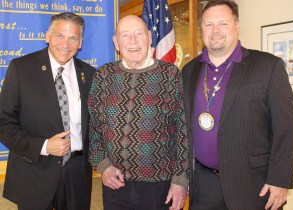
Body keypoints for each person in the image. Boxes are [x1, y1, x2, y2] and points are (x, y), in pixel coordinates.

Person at [182, 1, 293, 210]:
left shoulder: (268, 66)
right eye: (208, 25)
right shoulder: (189, 71)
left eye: (223, 23)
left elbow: (286, 128)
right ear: (202, 30)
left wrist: (280, 180)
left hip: (253, 185)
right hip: (203, 184)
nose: (215, 31)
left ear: (237, 26)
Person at [88, 15, 189, 210]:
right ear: (116, 43)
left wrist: (180, 179)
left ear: (150, 38)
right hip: (114, 183)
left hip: (160, 186)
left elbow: (183, 131)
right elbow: (94, 128)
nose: (132, 41)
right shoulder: (103, 75)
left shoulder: (170, 74)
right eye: (125, 35)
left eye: (139, 34)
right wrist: (104, 166)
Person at [0, 12, 95, 210]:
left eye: (73, 38)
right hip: (34, 170)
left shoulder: (90, 74)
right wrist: (43, 146)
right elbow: (3, 123)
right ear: (47, 36)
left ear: (80, 43)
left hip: (77, 173)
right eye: (59, 35)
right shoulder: (21, 69)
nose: (65, 44)